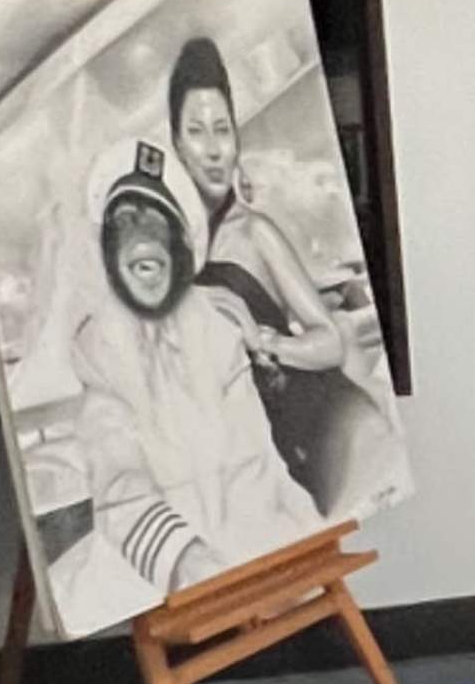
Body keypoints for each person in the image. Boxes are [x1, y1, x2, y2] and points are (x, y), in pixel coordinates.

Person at [70, 135, 321, 595]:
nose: (141, 234)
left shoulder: (215, 323)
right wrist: (185, 558)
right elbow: (119, 481)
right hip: (182, 568)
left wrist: (307, 532)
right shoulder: (100, 348)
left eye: (154, 221)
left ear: (181, 247)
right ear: (108, 251)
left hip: (261, 546)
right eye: (124, 221)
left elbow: (259, 461)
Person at [161, 30, 392, 514]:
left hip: (337, 431)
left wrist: (259, 338)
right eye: (197, 131)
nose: (212, 148)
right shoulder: (173, 254)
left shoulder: (254, 231)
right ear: (177, 143)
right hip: (272, 459)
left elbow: (329, 344)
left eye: (222, 128)